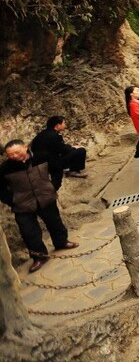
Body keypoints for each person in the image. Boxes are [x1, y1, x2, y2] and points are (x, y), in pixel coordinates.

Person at [0, 140, 78, 271]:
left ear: (25, 147)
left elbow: (56, 170)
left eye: (17, 152)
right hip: (22, 204)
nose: (14, 156)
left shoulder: (42, 156)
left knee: (54, 222)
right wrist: (12, 200)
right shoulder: (5, 169)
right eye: (10, 154)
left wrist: (53, 186)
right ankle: (39, 257)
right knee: (28, 232)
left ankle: (61, 242)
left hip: (45, 197)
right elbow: (1, 189)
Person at [31, 116, 87, 190]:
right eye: (64, 123)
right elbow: (63, 149)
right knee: (81, 150)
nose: (65, 125)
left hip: (40, 164)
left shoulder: (41, 134)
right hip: (52, 165)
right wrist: (74, 148)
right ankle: (73, 171)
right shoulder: (55, 135)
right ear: (58, 125)